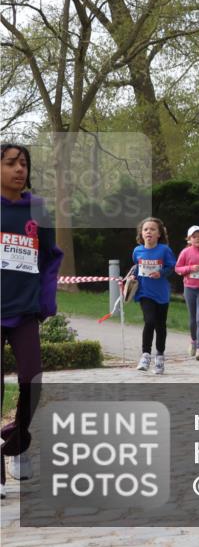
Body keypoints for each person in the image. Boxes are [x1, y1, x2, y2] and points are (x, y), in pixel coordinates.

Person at [1, 143, 63, 497]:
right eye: (10, 163)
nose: (19, 169)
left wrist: (45, 299)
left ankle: (16, 442)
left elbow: (52, 257)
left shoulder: (38, 209)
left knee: (32, 381)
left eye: (23, 163)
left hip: (25, 310)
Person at [132, 217, 176, 375]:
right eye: (145, 229)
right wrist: (132, 277)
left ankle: (160, 357)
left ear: (159, 234)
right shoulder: (137, 251)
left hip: (162, 294)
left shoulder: (164, 250)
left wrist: (161, 272)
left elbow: (172, 267)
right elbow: (136, 268)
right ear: (141, 234)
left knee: (160, 325)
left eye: (152, 229)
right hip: (145, 292)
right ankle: (145, 355)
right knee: (149, 321)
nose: (148, 232)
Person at [175, 225, 199, 360]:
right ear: (189, 239)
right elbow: (177, 268)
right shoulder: (185, 252)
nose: (197, 239)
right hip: (189, 288)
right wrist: (190, 268)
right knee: (193, 319)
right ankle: (193, 341)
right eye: (194, 237)